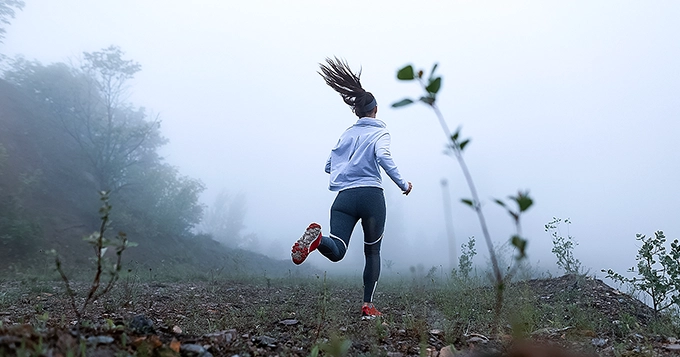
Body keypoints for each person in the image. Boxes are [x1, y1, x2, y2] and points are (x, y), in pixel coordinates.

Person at [291, 57, 412, 320]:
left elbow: (328, 165)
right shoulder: (380, 133)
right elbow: (384, 157)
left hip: (344, 198)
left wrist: (348, 168)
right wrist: (403, 184)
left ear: (357, 112)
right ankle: (368, 306)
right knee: (372, 251)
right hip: (371, 197)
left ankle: (318, 240)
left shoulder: (346, 134)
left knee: (338, 249)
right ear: (376, 110)